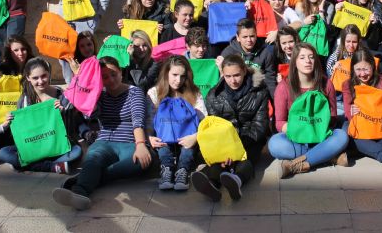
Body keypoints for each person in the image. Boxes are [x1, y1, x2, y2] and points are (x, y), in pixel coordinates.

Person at [52, 57, 156, 210]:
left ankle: (84, 178)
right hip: (105, 141)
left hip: (130, 142)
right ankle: (80, 193)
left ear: (121, 72)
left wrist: (141, 145)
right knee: (94, 158)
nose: (111, 80)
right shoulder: (98, 94)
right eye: (105, 77)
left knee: (144, 161)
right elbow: (89, 112)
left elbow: (138, 120)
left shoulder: (135, 92)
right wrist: (83, 80)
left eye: (114, 74)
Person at [191, 55, 269, 201]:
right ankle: (212, 183)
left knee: (246, 159)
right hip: (224, 141)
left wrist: (236, 148)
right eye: (228, 76)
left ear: (245, 71)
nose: (233, 80)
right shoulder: (214, 95)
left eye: (237, 75)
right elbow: (214, 127)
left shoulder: (260, 92)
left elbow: (260, 125)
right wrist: (224, 148)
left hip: (250, 139)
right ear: (222, 74)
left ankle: (236, 180)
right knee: (220, 160)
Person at [268, 43, 349, 178]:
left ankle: (294, 165)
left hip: (321, 136)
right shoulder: (283, 87)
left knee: (341, 136)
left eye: (311, 57)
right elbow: (279, 122)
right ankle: (327, 157)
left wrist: (317, 127)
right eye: (302, 57)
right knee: (274, 144)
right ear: (294, 62)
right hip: (296, 137)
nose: (308, 61)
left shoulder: (326, 84)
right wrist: (299, 130)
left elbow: (333, 116)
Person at [0, 58, 83, 173]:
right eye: (35, 78)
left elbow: (70, 129)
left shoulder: (61, 94)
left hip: (56, 145)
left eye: (44, 76)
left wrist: (64, 112)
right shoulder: (24, 100)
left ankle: (26, 165)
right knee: (3, 153)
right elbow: (23, 131)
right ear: (28, 78)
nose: (40, 81)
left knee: (76, 151)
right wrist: (10, 121)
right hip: (35, 147)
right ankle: (52, 167)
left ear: (49, 74)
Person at [337, 49, 382, 167]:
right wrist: (352, 113)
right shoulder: (348, 84)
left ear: (373, 67)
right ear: (353, 69)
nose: (362, 74)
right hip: (361, 129)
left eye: (366, 69)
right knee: (346, 130)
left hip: (381, 130)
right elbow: (347, 112)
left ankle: (362, 150)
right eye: (358, 70)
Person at [147, 56, 207, 191]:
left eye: (183, 76)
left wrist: (195, 137)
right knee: (162, 143)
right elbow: (149, 120)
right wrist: (149, 137)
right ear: (166, 73)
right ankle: (166, 169)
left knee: (188, 148)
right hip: (163, 137)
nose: (178, 80)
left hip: (187, 137)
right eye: (174, 75)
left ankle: (182, 171)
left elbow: (204, 119)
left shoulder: (194, 93)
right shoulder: (154, 93)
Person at [220, 18, 277, 97]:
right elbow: (224, 81)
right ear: (238, 37)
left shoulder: (265, 52)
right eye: (245, 37)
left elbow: (270, 79)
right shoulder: (229, 53)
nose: (249, 40)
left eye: (252, 36)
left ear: (256, 35)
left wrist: (275, 102)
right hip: (236, 93)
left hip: (258, 93)